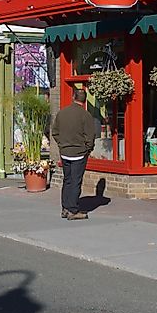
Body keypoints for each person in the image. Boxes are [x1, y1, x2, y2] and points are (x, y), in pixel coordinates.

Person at [50, 87, 98, 220]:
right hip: (79, 153)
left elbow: (55, 132)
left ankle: (65, 208)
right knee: (76, 181)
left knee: (67, 180)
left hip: (65, 151)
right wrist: (87, 149)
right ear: (85, 100)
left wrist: (62, 144)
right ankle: (72, 210)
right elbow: (90, 136)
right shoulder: (86, 115)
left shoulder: (62, 113)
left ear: (73, 97)